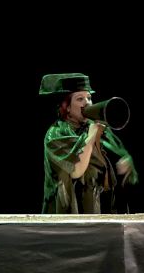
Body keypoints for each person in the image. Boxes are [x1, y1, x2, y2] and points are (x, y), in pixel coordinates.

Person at [40, 72, 138, 214]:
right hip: (70, 216)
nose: (87, 103)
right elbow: (76, 171)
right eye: (80, 99)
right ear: (67, 106)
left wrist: (124, 163)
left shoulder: (98, 129)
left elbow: (117, 159)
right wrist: (91, 137)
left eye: (89, 98)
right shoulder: (56, 134)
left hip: (101, 210)